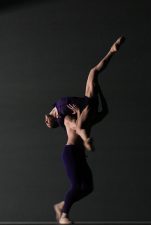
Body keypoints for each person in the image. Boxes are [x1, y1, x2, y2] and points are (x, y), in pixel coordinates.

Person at [45, 36, 125, 224]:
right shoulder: (67, 118)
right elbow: (77, 127)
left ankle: (61, 206)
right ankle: (64, 215)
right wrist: (86, 139)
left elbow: (104, 109)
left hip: (80, 153)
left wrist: (100, 90)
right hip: (71, 152)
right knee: (75, 185)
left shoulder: (89, 106)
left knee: (88, 187)